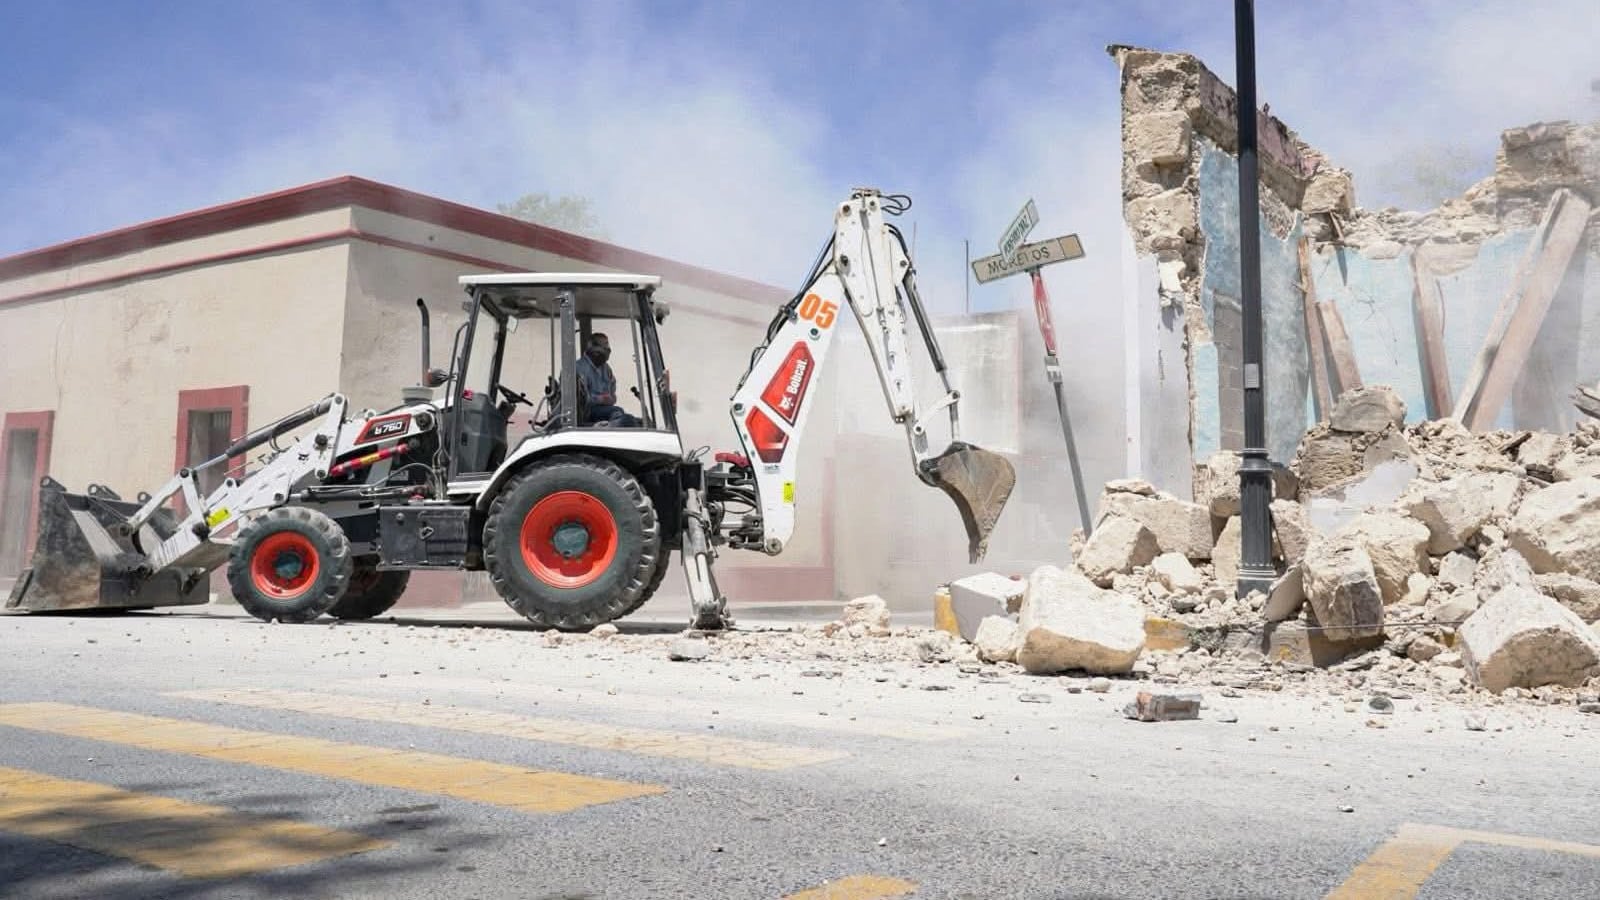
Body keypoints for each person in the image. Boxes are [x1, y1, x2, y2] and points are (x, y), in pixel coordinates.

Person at [575, 332, 640, 427]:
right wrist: (599, 399)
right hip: (587, 412)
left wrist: (611, 399)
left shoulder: (606, 369)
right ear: (592, 348)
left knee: (633, 421)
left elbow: (612, 392)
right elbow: (579, 399)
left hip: (605, 410)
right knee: (622, 417)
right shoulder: (579, 368)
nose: (608, 349)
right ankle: (605, 430)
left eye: (607, 345)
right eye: (604, 345)